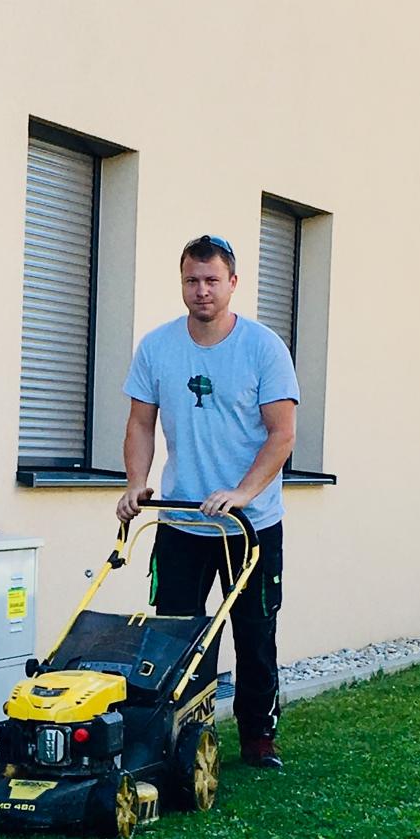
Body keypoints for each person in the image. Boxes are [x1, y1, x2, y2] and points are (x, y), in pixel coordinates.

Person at [118, 234, 298, 768]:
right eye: (192, 280)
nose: (202, 291)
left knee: (254, 631)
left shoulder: (263, 348)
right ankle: (186, 737)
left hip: (250, 524)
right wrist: (135, 482)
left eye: (212, 280)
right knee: (178, 634)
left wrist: (243, 493)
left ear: (232, 283)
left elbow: (283, 434)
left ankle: (258, 737)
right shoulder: (157, 347)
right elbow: (140, 424)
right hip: (182, 519)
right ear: (182, 283)